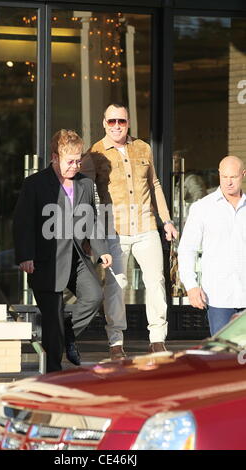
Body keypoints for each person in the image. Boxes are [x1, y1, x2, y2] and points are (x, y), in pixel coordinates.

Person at [81, 103, 177, 359]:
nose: (116, 126)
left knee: (156, 282)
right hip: (115, 230)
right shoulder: (95, 153)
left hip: (146, 226)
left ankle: (157, 339)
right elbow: (87, 193)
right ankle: (115, 342)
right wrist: (91, 235)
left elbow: (154, 184)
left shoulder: (143, 148)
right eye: (111, 121)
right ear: (103, 123)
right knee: (115, 286)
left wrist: (166, 220)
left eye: (121, 121)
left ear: (128, 122)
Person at [13, 129, 112, 372]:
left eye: (79, 160)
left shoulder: (86, 185)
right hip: (45, 261)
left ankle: (68, 333)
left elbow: (92, 219)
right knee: (52, 319)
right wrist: (25, 256)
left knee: (94, 296)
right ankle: (54, 371)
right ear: (55, 157)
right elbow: (23, 222)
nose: (75, 166)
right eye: (71, 161)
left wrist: (101, 249)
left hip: (76, 258)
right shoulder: (34, 184)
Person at [178, 155, 246, 335]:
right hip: (218, 297)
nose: (228, 182)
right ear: (219, 175)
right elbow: (187, 249)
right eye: (224, 177)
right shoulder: (202, 208)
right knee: (223, 357)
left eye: (233, 177)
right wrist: (191, 286)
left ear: (243, 175)